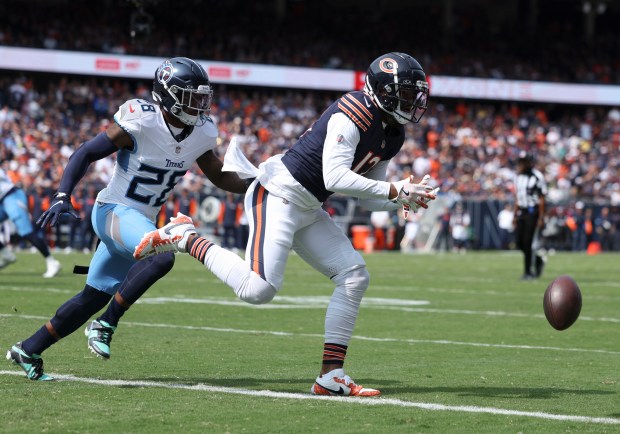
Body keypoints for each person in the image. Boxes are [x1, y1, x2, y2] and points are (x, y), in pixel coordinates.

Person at [135, 52, 438, 397]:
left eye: (417, 94)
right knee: (258, 289)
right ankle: (184, 236)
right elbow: (335, 176)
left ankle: (330, 375)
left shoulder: (392, 133)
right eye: (408, 93)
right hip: (278, 193)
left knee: (354, 277)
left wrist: (398, 198)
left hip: (308, 204)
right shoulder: (353, 113)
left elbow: (367, 197)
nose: (414, 101)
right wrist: (395, 189)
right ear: (383, 91)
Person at [6, 57, 249, 381]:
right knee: (163, 256)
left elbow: (219, 175)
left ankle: (29, 348)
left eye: (203, 97)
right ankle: (106, 324)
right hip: (112, 212)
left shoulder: (202, 132)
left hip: (138, 223)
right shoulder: (140, 120)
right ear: (168, 95)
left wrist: (258, 184)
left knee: (91, 297)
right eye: (192, 97)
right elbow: (86, 151)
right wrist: (63, 194)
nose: (201, 105)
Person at [0, 168, 61, 277]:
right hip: (2, 202)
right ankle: (6, 254)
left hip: (11, 196)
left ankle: (52, 261)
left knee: (26, 232)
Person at [513, 150, 547, 280]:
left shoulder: (537, 176)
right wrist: (515, 215)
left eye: (523, 162)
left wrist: (541, 217)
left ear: (528, 163)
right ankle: (538, 260)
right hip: (522, 211)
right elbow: (517, 197)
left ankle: (528, 272)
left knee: (527, 242)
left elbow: (542, 198)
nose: (520, 165)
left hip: (533, 212)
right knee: (519, 242)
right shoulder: (518, 177)